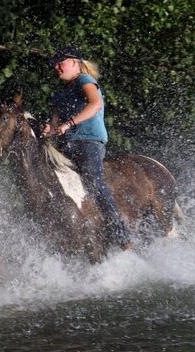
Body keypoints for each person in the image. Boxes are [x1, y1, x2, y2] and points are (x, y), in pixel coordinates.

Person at [42, 46, 133, 250]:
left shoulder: (85, 80)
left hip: (89, 143)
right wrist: (49, 128)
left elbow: (95, 105)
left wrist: (70, 124)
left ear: (75, 62)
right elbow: (55, 124)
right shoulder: (59, 94)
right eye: (54, 64)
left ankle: (120, 234)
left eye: (61, 62)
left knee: (93, 180)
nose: (56, 67)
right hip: (66, 146)